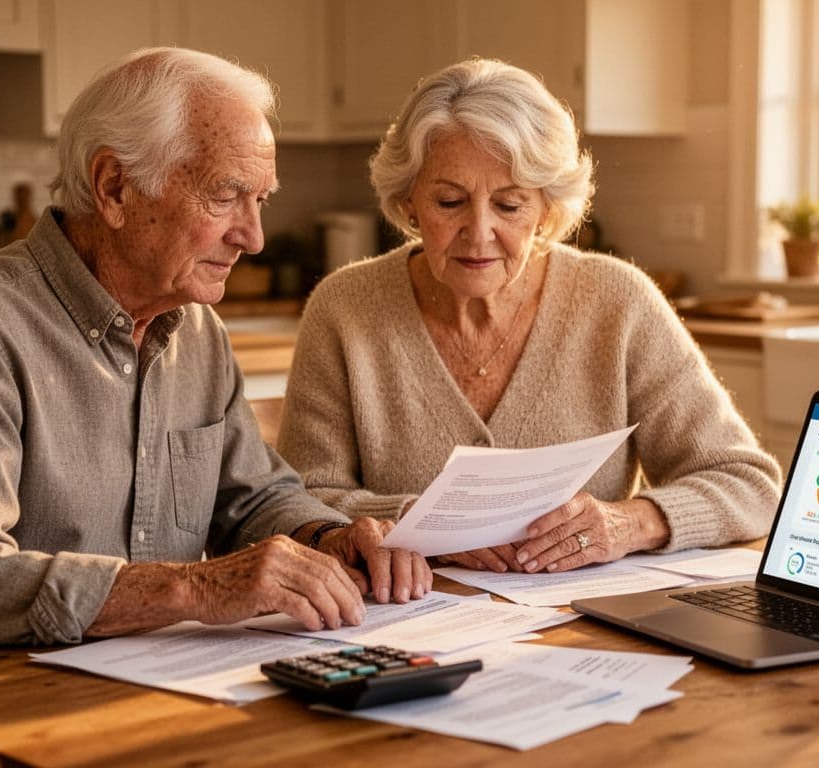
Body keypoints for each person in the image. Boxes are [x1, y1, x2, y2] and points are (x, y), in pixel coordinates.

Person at [0, 48, 431, 663]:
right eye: (226, 196)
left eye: (261, 201)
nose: (252, 236)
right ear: (115, 187)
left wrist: (328, 538)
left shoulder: (196, 329)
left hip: (129, 684)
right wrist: (194, 588)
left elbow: (251, 499)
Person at [277, 59, 782, 574]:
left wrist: (628, 523)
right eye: (449, 201)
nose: (479, 232)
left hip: (578, 634)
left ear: (547, 209)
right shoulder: (344, 308)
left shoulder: (617, 302)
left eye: (510, 206)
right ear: (408, 202)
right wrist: (418, 526)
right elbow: (295, 506)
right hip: (405, 627)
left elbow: (748, 484)